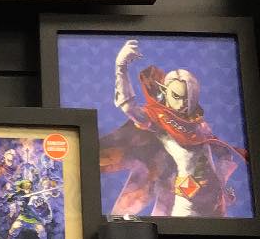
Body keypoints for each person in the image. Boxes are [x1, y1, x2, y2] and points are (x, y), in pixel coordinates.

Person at [100, 39, 247, 218]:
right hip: (185, 203)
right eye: (176, 96)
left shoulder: (199, 126)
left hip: (213, 201)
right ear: (165, 92)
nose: (182, 104)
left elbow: (224, 155)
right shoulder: (158, 119)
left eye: (187, 98)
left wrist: (221, 184)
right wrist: (121, 67)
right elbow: (129, 107)